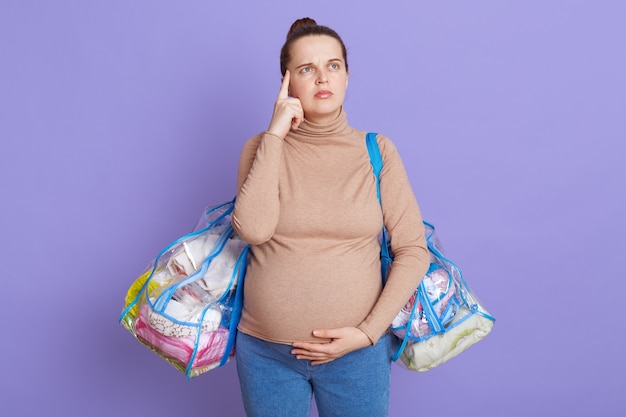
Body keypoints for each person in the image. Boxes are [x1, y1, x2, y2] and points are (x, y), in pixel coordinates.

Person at [231, 17, 430, 417]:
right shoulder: (260, 147)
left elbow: (412, 249)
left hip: (357, 356)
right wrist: (274, 134)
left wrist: (367, 333)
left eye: (333, 66)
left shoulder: (378, 151)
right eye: (307, 69)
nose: (323, 78)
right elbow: (252, 229)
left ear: (347, 75)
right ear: (286, 82)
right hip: (266, 354)